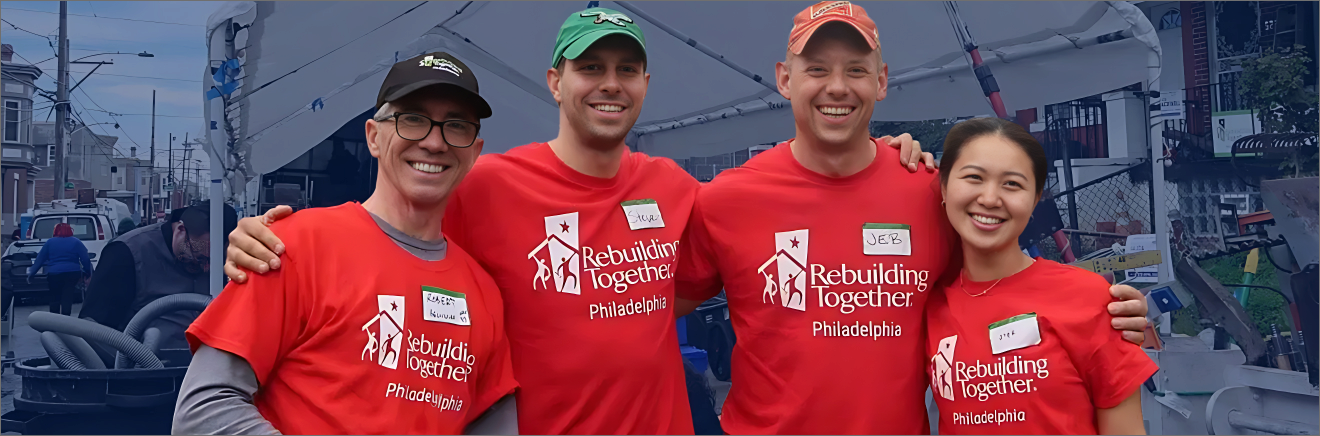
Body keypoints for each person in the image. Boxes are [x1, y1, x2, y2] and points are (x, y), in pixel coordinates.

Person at [223, 6, 933, 435]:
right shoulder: (489, 184)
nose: (610, 83)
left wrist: (902, 156)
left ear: (646, 86)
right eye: (590, 67)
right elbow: (394, 236)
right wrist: (273, 239)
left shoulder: (681, 190)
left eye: (627, 68)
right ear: (556, 82)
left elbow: (683, 290)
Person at [672, 2, 1151, 434]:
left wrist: (1100, 314)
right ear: (783, 78)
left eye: (856, 70)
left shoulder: (926, 190)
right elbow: (648, 313)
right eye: (816, 68)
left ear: (881, 81)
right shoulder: (728, 199)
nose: (837, 86)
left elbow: (996, 287)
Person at [172, 52, 518, 435]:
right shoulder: (290, 247)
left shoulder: (483, 293)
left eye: (456, 126)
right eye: (413, 120)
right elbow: (202, 412)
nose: (434, 142)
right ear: (373, 136)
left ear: (474, 152)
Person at [925, 118, 1156, 434]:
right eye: (974, 177)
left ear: (1034, 201)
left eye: (1012, 184)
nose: (990, 199)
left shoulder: (1089, 296)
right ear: (944, 188)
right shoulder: (930, 306)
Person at [78, 202, 237, 350]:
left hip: (209, 364)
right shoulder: (127, 253)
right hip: (146, 367)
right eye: (200, 257)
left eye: (215, 261)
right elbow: (94, 328)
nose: (206, 268)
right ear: (181, 231)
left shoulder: (227, 258)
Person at [28, 223, 93, 316]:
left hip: (54, 273)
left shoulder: (50, 242)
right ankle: (65, 319)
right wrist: (87, 271)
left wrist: (31, 273)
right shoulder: (76, 242)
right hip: (72, 273)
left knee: (54, 297)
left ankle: (55, 320)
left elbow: (40, 259)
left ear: (55, 231)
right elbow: (85, 258)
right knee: (68, 296)